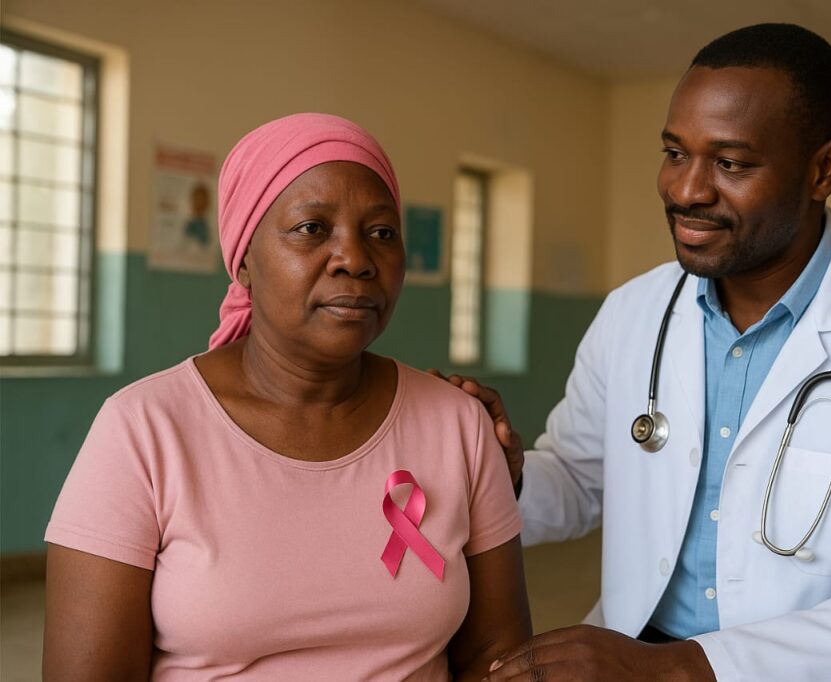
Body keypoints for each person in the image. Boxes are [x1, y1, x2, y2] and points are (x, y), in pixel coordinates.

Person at [443, 24, 831, 682]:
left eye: (730, 163)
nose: (686, 190)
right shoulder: (634, 313)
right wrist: (505, 476)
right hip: (632, 651)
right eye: (675, 153)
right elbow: (580, 479)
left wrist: (681, 668)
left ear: (824, 169)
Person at [42, 113, 531, 680]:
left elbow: (497, 657)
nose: (356, 259)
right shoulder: (143, 431)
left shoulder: (458, 425)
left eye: (382, 232)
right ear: (244, 260)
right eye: (312, 228)